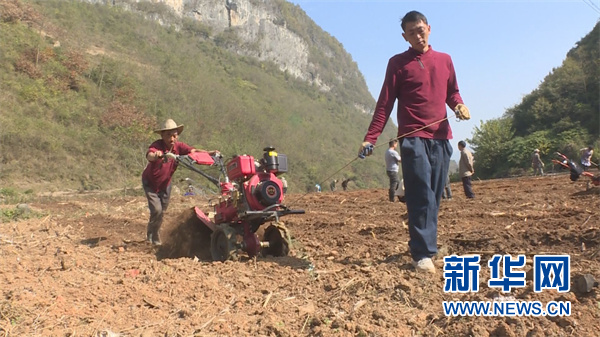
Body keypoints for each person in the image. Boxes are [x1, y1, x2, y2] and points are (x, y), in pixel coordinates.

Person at [358, 10, 469, 273]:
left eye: (421, 30)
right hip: (413, 139)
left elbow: (452, 91)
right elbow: (385, 104)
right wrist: (370, 138)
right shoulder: (397, 63)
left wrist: (459, 105)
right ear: (404, 37)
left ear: (429, 28)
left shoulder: (445, 60)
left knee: (435, 195)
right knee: (420, 195)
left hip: (441, 138)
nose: (418, 35)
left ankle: (427, 246)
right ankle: (421, 254)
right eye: (411, 32)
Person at [142, 119, 220, 245]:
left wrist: (210, 153)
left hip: (165, 184)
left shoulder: (179, 147)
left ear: (177, 135)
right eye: (168, 135)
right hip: (150, 183)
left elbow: (193, 152)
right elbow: (149, 155)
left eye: (174, 135)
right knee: (156, 210)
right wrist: (157, 155)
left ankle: (154, 232)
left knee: (162, 211)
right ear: (162, 135)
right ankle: (152, 234)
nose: (171, 138)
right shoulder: (157, 145)